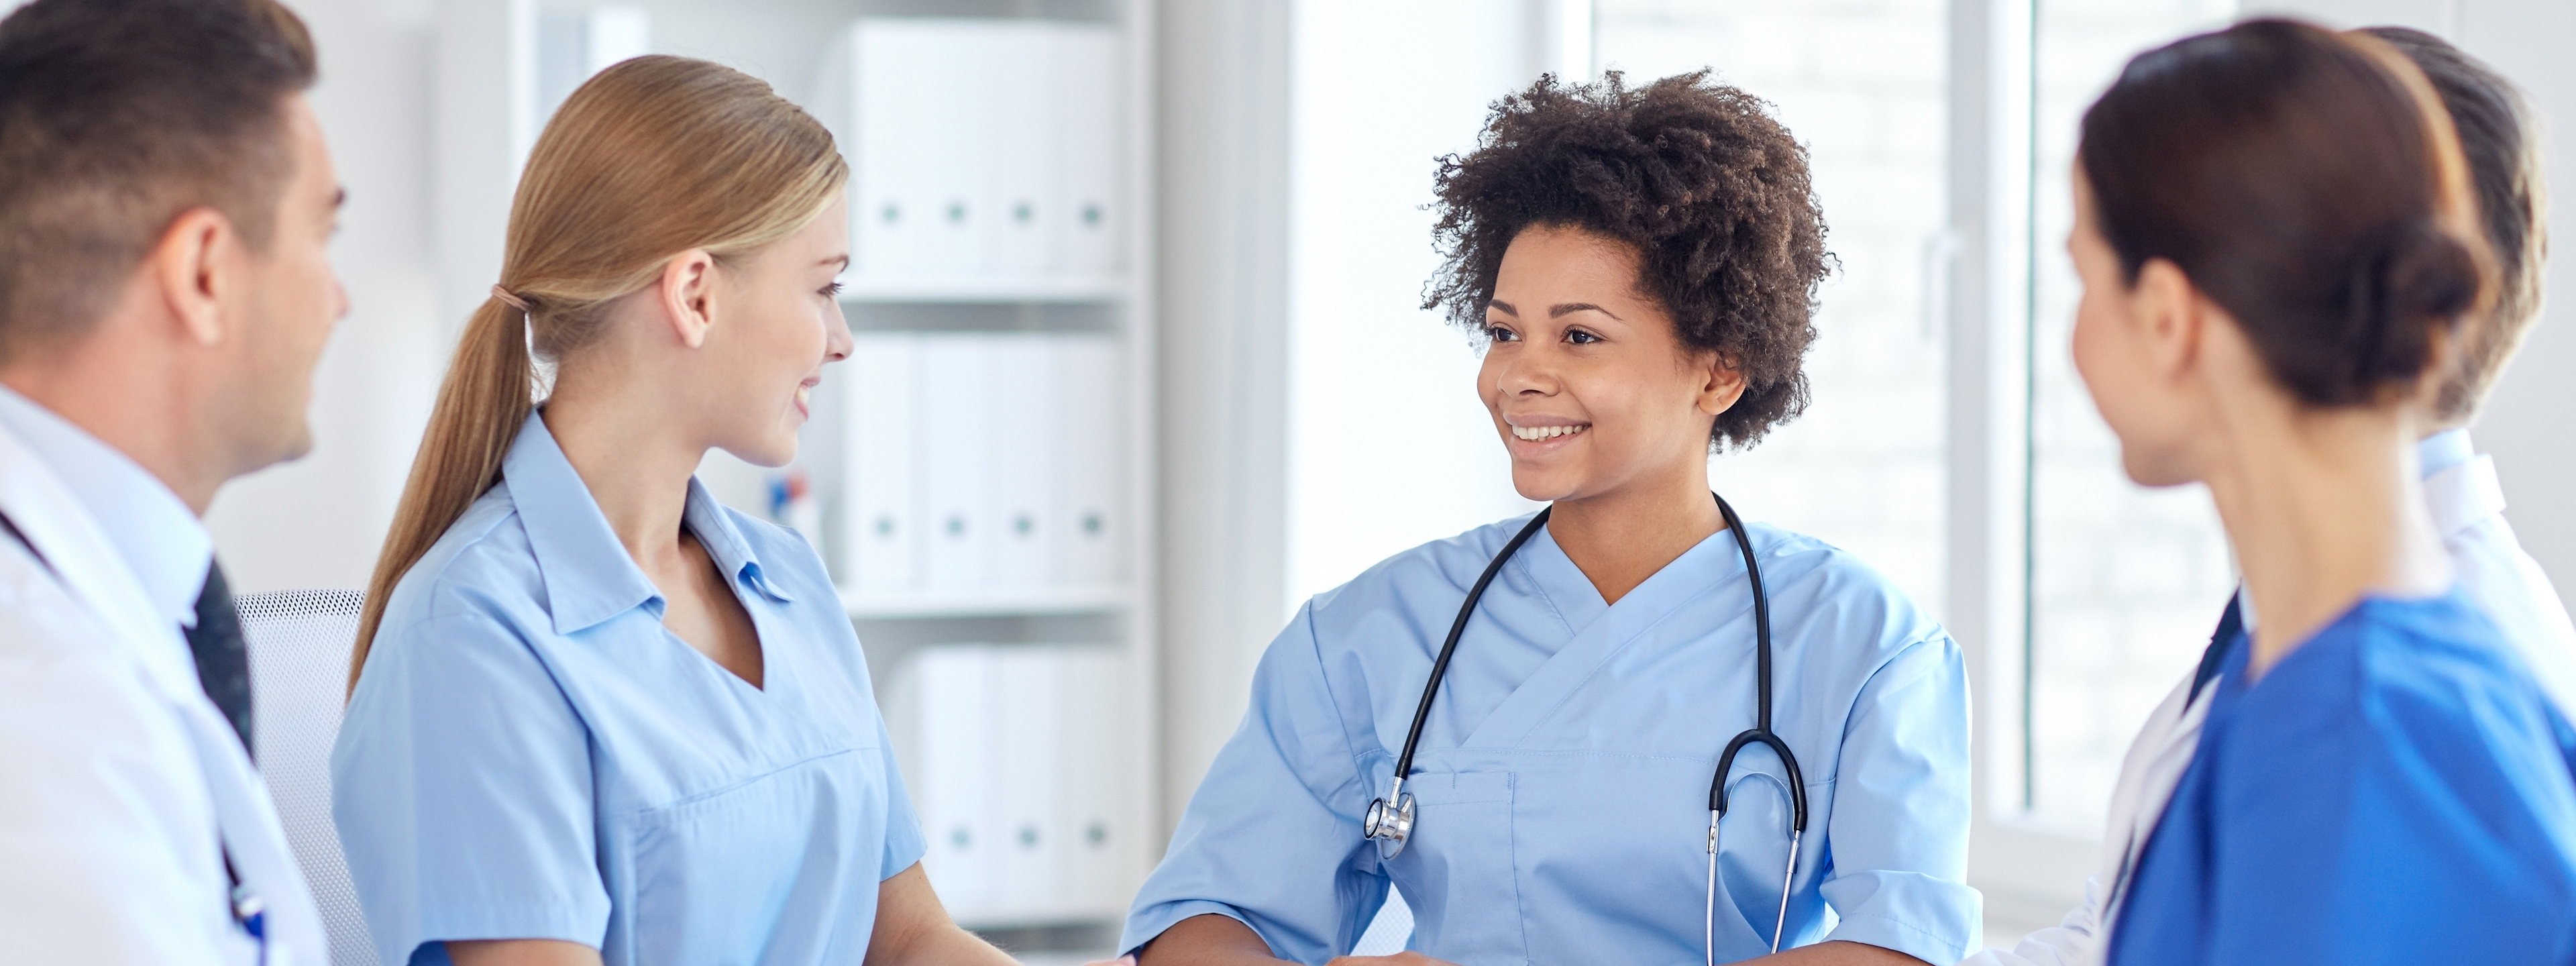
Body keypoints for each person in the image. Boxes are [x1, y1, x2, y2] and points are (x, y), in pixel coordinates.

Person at [1122, 72, 1978, 966]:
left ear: (1719, 371)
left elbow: (1902, 947)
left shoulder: (1866, 646)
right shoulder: (1369, 637)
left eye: (1579, 337)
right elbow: (1211, 916)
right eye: (1502, 332)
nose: (1515, 378)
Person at [328, 57, 1015, 966]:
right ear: (695, 294)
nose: (839, 341)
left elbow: (911, 939)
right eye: (823, 287)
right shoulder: (471, 632)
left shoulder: (789, 583)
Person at [1966, 24, 2576, 966]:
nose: (2074, 333)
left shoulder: (2369, 747)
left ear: (2168, 318)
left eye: (2082, 274)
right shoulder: (2309, 677)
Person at [0, 0, 342, 963]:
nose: (339, 299)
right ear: (204, 273)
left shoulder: (124, 610)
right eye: (322, 235)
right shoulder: (41, 715)